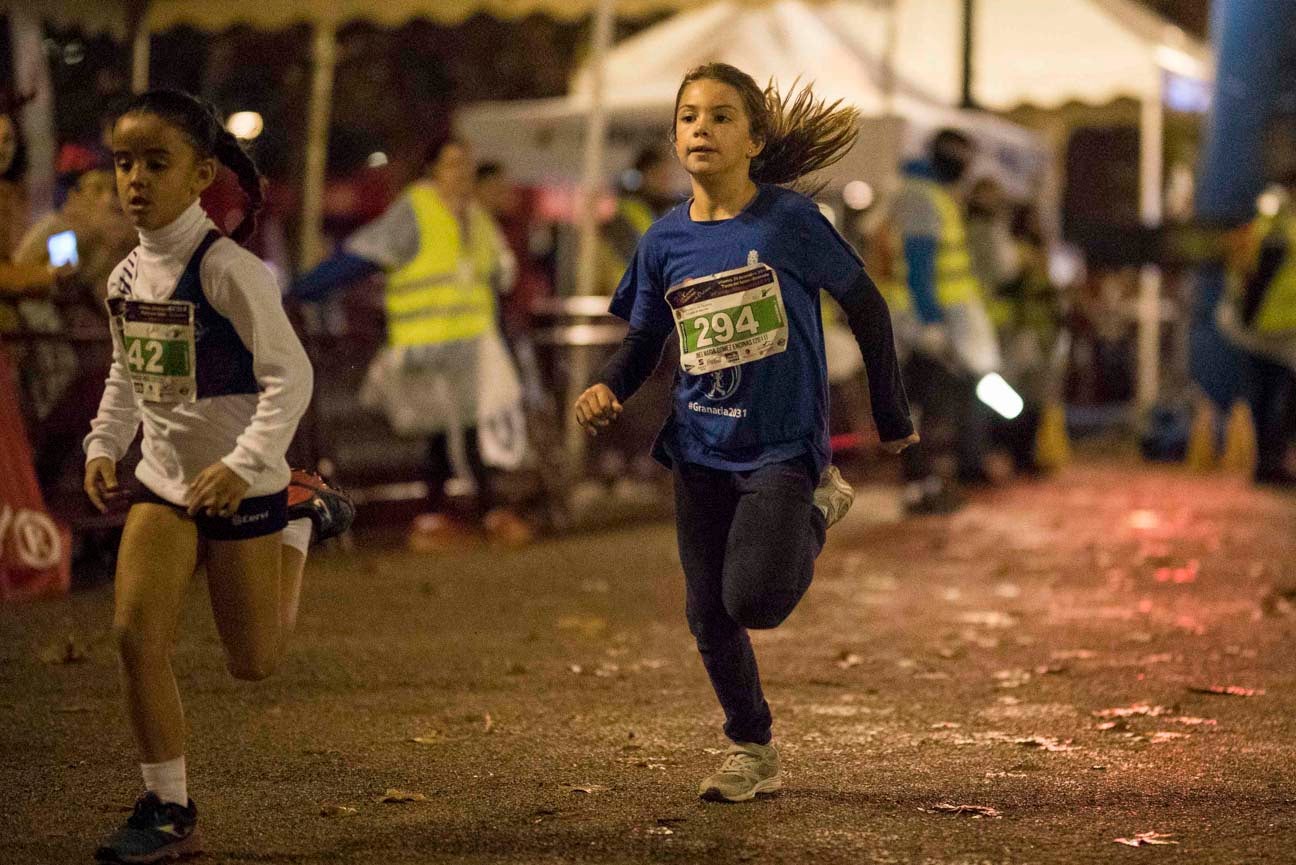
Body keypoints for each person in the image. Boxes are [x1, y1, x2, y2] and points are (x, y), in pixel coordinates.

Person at [574, 63, 917, 803]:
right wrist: (607, 383)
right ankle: (750, 745)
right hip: (698, 445)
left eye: (723, 116)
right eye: (690, 116)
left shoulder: (790, 223)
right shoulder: (664, 241)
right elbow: (644, 341)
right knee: (708, 610)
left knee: (756, 600)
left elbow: (870, 307)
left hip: (783, 445)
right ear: (673, 136)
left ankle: (816, 506)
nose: (702, 128)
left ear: (756, 138)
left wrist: (891, 415)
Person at [84, 89, 352, 864]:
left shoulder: (231, 271)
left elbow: (291, 378)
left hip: (247, 483)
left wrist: (243, 467)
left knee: (253, 662)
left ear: (202, 174)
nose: (135, 179)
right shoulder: (126, 275)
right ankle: (169, 808)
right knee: (135, 635)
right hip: (165, 485)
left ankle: (300, 518)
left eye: (155, 163)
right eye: (124, 162)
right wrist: (105, 445)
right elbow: (126, 375)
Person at [293, 137, 533, 549]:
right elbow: (361, 257)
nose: (462, 173)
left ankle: (447, 516)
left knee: (463, 431)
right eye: (453, 164)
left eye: (466, 164)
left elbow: (496, 277)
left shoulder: (476, 217)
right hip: (428, 349)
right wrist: (302, 291)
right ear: (432, 170)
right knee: (454, 432)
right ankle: (472, 514)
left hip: (473, 346)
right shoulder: (415, 211)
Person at [893, 128, 1001, 512]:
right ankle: (921, 486)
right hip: (924, 325)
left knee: (927, 406)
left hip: (933, 323)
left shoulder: (929, 193)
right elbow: (920, 265)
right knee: (924, 407)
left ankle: (927, 483)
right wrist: (930, 322)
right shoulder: (922, 197)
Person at [1218, 176, 1296, 486]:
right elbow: (1267, 272)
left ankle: (1267, 461)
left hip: (1263, 327)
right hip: (1277, 327)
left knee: (1264, 395)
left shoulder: (1264, 222)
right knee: (1280, 396)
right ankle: (1271, 462)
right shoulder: (1280, 223)